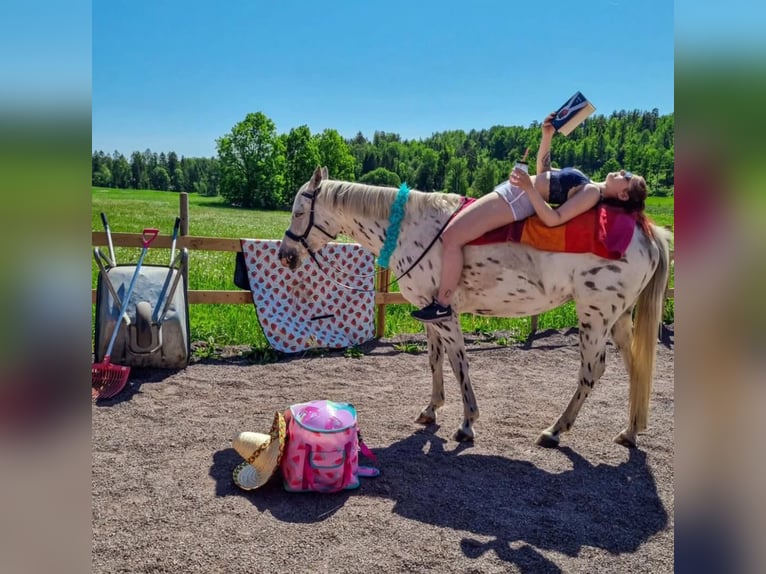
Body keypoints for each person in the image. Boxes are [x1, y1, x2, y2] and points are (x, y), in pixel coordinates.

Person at [411, 111, 649, 323]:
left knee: (451, 236)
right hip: (516, 194)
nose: (620, 171)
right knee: (455, 231)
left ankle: (442, 304)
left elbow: (554, 218)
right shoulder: (589, 186)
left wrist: (527, 188)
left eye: (625, 176)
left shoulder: (591, 193)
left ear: (624, 194)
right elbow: (544, 174)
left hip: (517, 199)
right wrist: (547, 136)